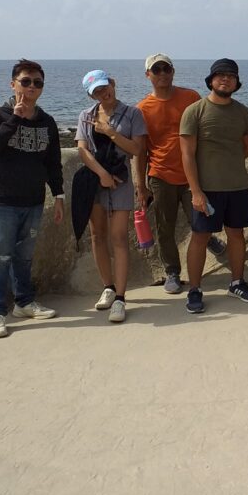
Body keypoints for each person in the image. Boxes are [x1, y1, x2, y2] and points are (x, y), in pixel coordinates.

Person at [0, 59, 64, 338]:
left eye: (37, 83)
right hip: (2, 201)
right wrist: (15, 118)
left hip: (33, 201)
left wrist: (59, 194)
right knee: (0, 257)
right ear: (13, 83)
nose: (31, 87)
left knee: (24, 257)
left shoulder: (47, 122)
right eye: (25, 81)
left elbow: (53, 162)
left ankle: (24, 303)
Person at [133, 53, 225, 295]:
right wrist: (140, 185)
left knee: (201, 220)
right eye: (157, 70)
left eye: (166, 68)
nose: (162, 73)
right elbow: (140, 151)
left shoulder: (190, 98)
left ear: (172, 71)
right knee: (165, 227)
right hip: (160, 176)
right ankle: (172, 272)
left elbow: (206, 132)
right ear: (148, 75)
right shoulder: (142, 109)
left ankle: (210, 240)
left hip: (192, 175)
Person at [179, 59, 248, 314]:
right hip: (206, 190)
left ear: (236, 82)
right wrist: (196, 191)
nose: (225, 80)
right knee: (200, 237)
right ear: (211, 80)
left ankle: (237, 282)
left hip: (238, 187)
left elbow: (247, 146)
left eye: (231, 76)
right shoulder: (195, 111)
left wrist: (228, 166)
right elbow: (187, 155)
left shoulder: (243, 112)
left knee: (237, 235)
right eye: (220, 75)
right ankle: (195, 289)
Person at [76, 69, 146, 323]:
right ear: (90, 94)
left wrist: (111, 133)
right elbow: (82, 150)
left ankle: (120, 297)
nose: (103, 93)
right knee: (97, 235)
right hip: (96, 181)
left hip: (122, 183)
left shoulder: (132, 113)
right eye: (96, 91)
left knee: (118, 237)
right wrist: (102, 173)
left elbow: (137, 149)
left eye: (105, 87)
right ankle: (107, 286)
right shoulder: (86, 116)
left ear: (113, 84)